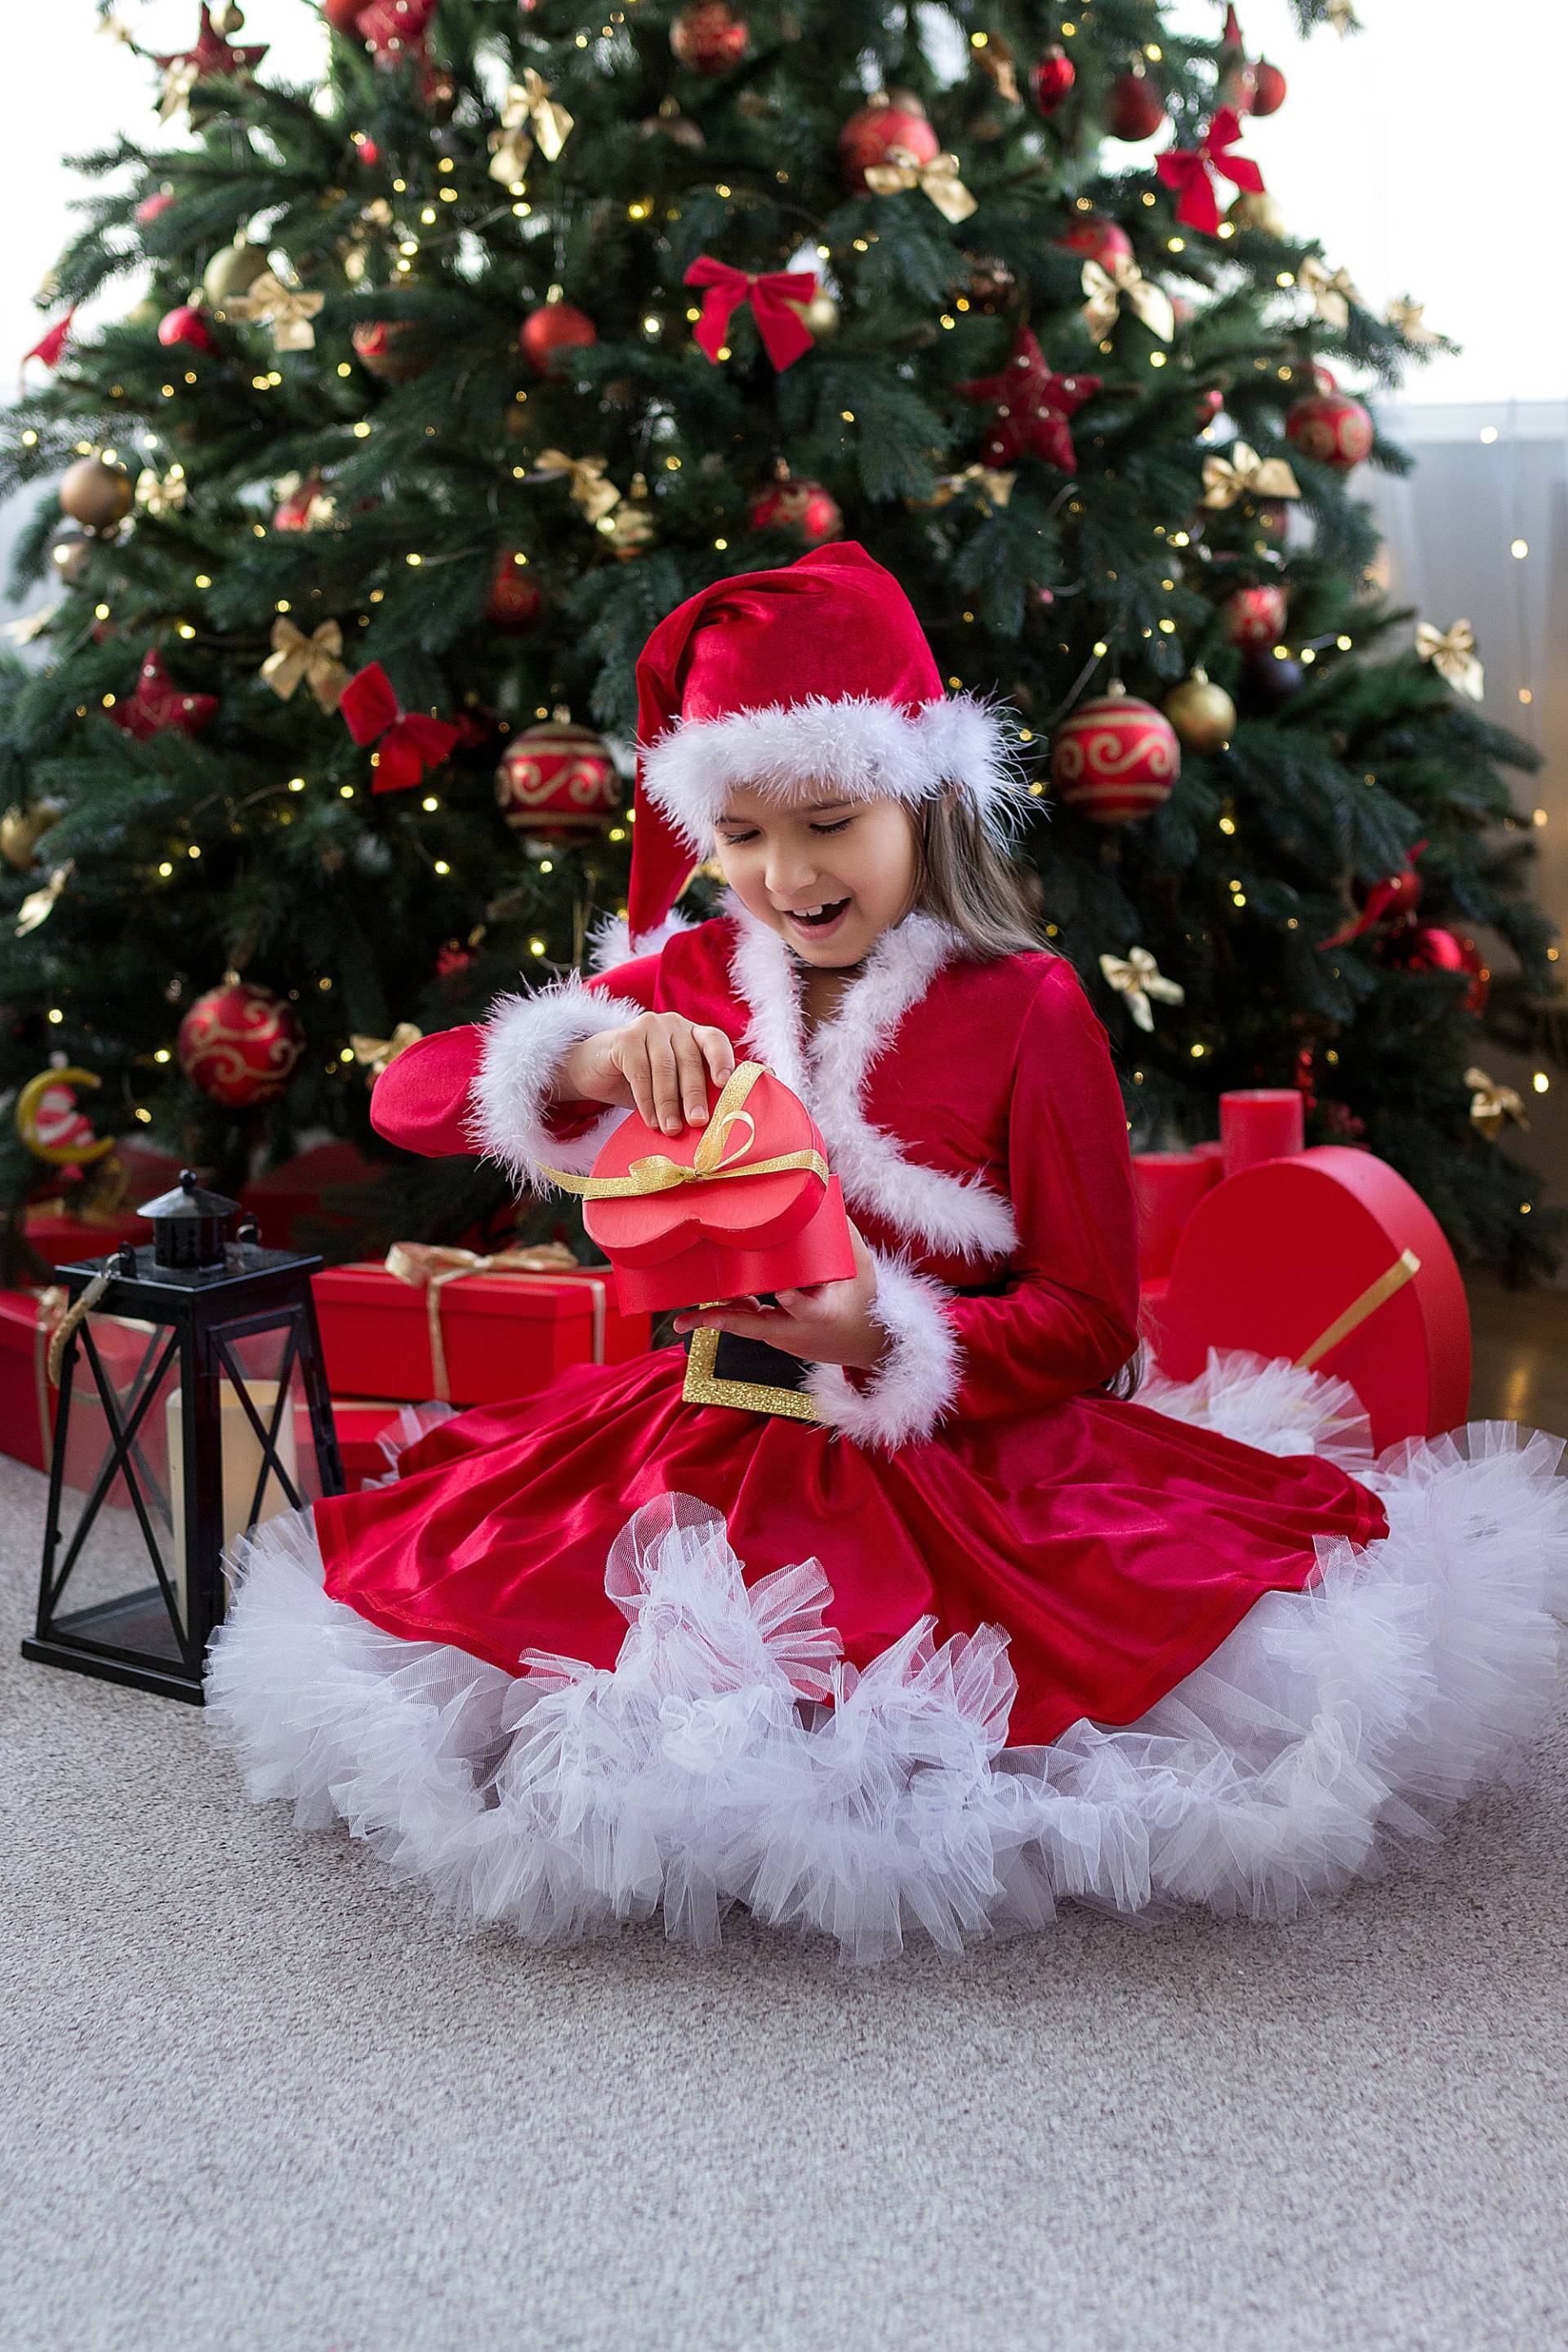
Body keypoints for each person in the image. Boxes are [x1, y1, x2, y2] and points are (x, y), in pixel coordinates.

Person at [208, 543, 1566, 1965]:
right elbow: (409, 1096)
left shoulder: (1029, 1010)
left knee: (963, 1728)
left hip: (959, 1455)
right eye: (740, 835)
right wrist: (590, 1052)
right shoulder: (689, 977)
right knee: (536, 1638)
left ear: (918, 791)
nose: (785, 875)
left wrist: (887, 1341)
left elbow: (1093, 1317)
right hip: (705, 1434)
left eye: (829, 822)